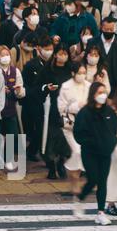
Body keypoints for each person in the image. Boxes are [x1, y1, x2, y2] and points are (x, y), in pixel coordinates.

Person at [73, 82, 117, 225]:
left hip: (105, 152)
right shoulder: (85, 112)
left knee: (102, 181)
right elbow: (78, 133)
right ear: (93, 94)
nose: (103, 95)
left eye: (104, 92)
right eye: (100, 92)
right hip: (90, 152)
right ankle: (80, 198)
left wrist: (112, 142)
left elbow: (114, 127)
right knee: (93, 178)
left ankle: (101, 212)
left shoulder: (109, 112)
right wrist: (89, 143)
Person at [37, 43, 72, 179]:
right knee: (49, 139)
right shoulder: (48, 70)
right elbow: (38, 86)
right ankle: (51, 166)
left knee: (65, 139)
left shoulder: (70, 70)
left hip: (66, 110)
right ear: (55, 54)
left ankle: (61, 163)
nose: (63, 56)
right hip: (50, 109)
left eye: (65, 53)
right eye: (60, 53)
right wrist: (47, 87)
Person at [58, 62, 91, 196]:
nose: (82, 75)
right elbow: (61, 108)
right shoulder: (66, 87)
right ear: (73, 73)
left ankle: (74, 181)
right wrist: (76, 106)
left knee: (81, 154)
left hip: (85, 126)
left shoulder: (89, 86)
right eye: (79, 73)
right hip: (70, 125)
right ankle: (73, 179)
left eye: (84, 73)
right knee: (77, 152)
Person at [22, 36, 54, 161]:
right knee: (39, 128)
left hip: (51, 101)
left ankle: (44, 151)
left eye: (51, 49)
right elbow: (28, 86)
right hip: (34, 102)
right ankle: (34, 151)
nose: (49, 51)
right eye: (46, 49)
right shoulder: (31, 65)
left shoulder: (53, 64)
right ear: (39, 48)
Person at [0, 45, 25, 169]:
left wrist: (18, 91)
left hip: (11, 108)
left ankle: (8, 160)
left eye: (7, 55)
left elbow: (21, 92)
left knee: (12, 134)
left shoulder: (15, 71)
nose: (5, 57)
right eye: (2, 55)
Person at [87, 17, 117, 98]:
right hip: (97, 83)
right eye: (107, 29)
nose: (109, 31)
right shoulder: (92, 42)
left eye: (111, 29)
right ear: (102, 28)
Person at [106, 84, 117, 216]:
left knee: (116, 177)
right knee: (114, 177)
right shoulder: (115, 111)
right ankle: (110, 204)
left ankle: (111, 204)